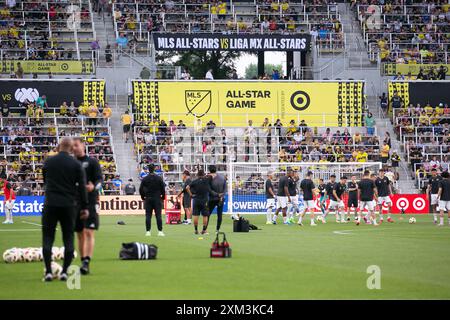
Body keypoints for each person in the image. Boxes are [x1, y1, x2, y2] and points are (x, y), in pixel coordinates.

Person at [41, 138, 89, 282]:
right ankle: (64, 272)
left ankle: (48, 271)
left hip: (50, 203)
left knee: (48, 238)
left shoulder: (48, 162)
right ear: (71, 149)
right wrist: (85, 206)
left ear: (58, 147)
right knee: (68, 238)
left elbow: (45, 181)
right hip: (69, 205)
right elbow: (82, 187)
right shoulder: (76, 164)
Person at [72, 138, 103, 275]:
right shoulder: (71, 163)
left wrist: (93, 187)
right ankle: (83, 259)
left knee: (89, 231)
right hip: (75, 202)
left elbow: (100, 181)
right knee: (80, 234)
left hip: (90, 200)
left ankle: (86, 262)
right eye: (72, 146)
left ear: (83, 145)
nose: (74, 148)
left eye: (76, 145)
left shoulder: (92, 162)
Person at [187, 169, 218, 235]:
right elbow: (212, 176)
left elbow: (187, 188)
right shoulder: (206, 180)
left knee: (196, 215)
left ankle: (196, 230)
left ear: (197, 175)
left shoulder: (194, 181)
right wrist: (206, 175)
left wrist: (191, 195)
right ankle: (204, 230)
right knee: (205, 215)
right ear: (203, 174)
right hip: (204, 201)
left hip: (196, 200)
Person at [139, 164, 166, 237]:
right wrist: (163, 197)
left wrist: (143, 197)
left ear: (148, 169)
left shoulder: (145, 179)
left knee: (148, 215)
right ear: (154, 169)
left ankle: (148, 231)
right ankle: (160, 231)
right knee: (158, 215)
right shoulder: (159, 178)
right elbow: (163, 189)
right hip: (157, 198)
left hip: (148, 198)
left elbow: (141, 189)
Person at [207, 165, 226, 232]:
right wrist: (221, 196)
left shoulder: (209, 178)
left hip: (213, 198)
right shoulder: (222, 178)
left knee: (207, 214)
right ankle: (217, 229)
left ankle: (205, 229)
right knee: (219, 214)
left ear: (209, 170)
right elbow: (225, 189)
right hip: (221, 198)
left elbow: (209, 190)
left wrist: (217, 195)